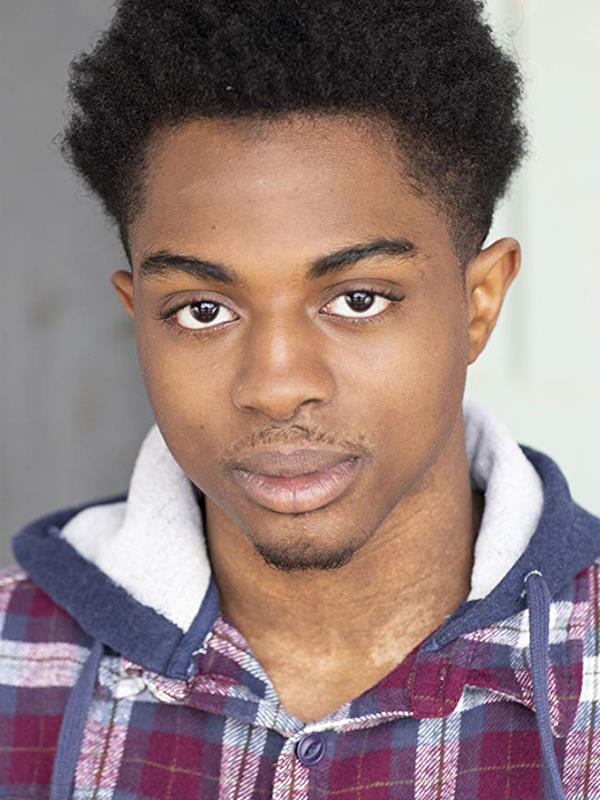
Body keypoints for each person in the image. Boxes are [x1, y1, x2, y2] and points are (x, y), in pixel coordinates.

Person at [1, 1, 598, 798]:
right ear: (137, 314)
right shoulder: (14, 654)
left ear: (479, 303)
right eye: (202, 310)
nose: (277, 387)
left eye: (358, 299)